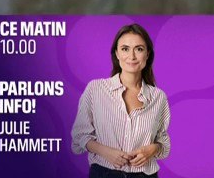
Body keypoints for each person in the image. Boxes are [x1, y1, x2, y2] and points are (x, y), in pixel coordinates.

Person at [71, 23, 172, 176]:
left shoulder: (158, 97)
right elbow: (79, 138)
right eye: (125, 49)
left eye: (139, 49)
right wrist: (105, 151)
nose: (131, 56)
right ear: (117, 54)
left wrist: (153, 149)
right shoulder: (96, 89)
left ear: (147, 54)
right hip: (104, 174)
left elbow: (163, 143)